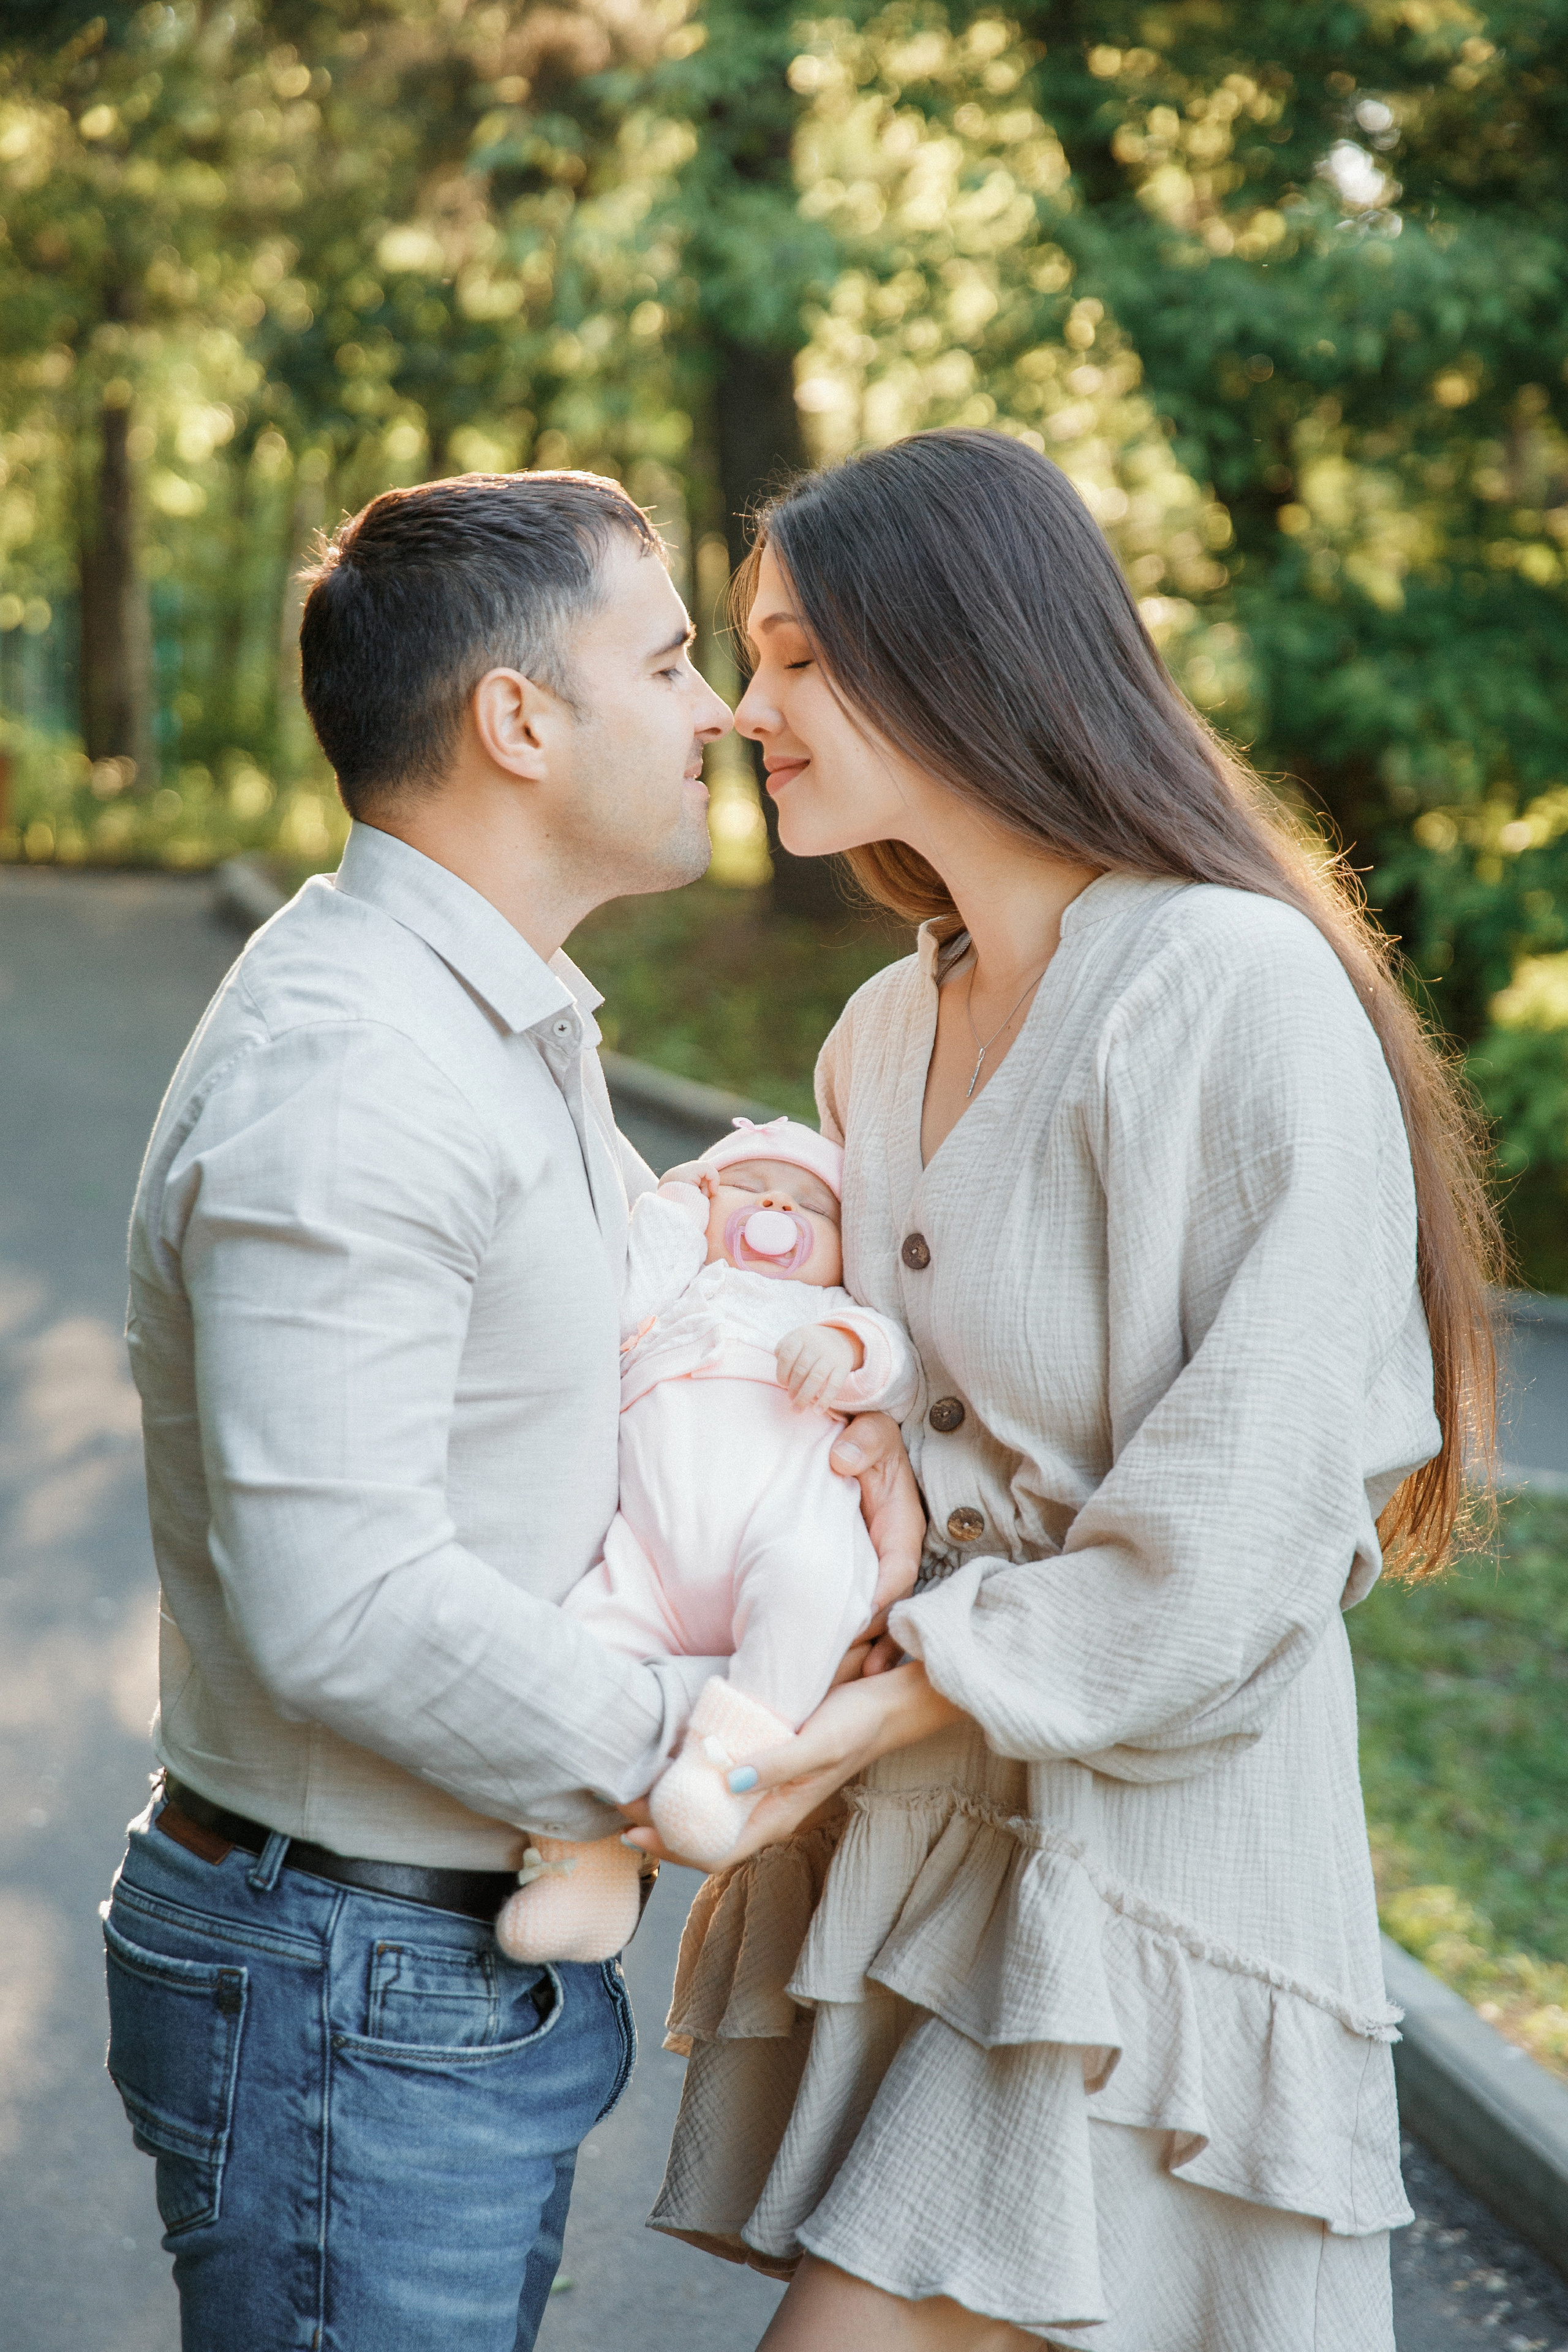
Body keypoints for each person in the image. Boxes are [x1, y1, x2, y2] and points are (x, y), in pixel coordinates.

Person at [628, 430, 1500, 2351]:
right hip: (939, 1854)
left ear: (957, 653)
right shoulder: (881, 1026)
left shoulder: (1225, 990)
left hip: (1152, 1879)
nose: (745, 708)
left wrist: (889, 1704)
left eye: (791, 656)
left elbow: (1260, 1512)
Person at [102, 469, 917, 2352]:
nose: (718, 708)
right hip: (349, 1975)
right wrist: (700, 1746)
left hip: (416, 1964)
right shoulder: (358, 1075)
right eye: (671, 658)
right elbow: (346, 1600)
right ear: (519, 720)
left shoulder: (490, 1021)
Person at [497, 1116, 920, 1963]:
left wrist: (840, 1346)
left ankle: (722, 1764)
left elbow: (895, 1364)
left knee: (808, 1583)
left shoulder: (830, 1310)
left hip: (777, 1533)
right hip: (648, 1561)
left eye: (812, 1204)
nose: (776, 1203)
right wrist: (674, 1212)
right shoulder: (672, 1295)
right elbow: (617, 1303)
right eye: (748, 1184)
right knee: (574, 1660)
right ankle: (583, 1865)